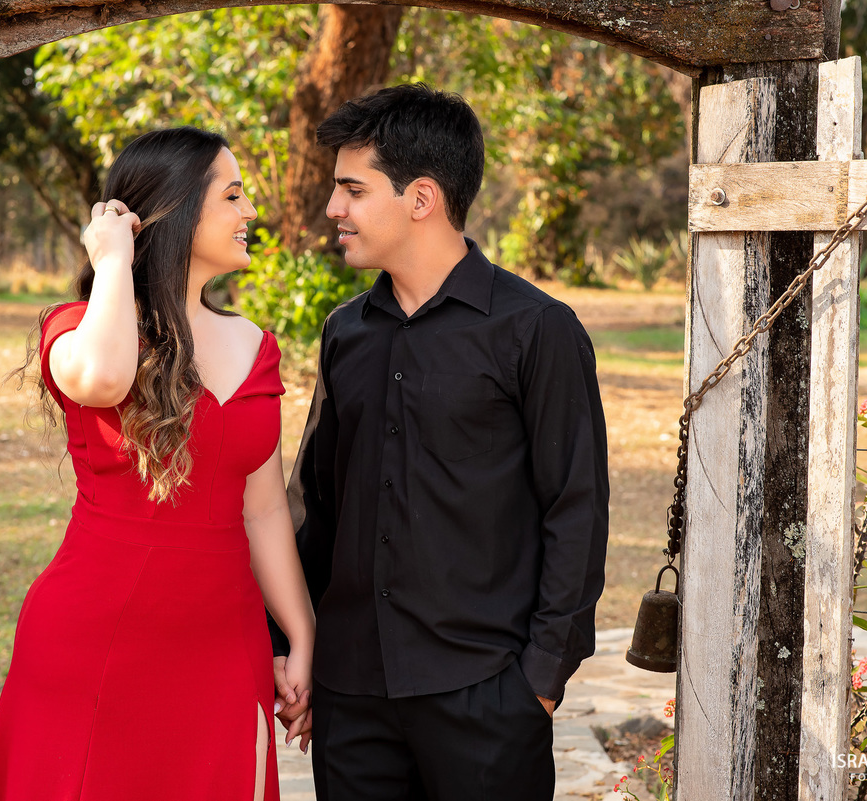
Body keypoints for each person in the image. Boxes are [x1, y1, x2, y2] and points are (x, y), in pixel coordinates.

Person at [0, 127, 315, 801]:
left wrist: (300, 630)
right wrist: (115, 261)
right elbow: (105, 379)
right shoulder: (79, 327)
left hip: (221, 645)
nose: (250, 213)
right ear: (173, 210)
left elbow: (261, 506)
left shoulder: (256, 345)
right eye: (233, 195)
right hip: (95, 641)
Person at [270, 84, 610, 800]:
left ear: (420, 197)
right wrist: (290, 647)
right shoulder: (346, 332)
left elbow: (575, 511)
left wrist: (537, 686)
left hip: (485, 696)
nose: (334, 208)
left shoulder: (537, 330)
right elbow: (316, 506)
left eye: (352, 190)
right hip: (352, 696)